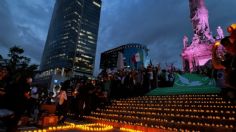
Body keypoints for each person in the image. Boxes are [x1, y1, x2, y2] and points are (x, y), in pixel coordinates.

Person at [212, 24, 236, 101]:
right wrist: (213, 51)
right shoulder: (231, 59)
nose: (226, 48)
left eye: (227, 45)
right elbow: (216, 65)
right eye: (225, 46)